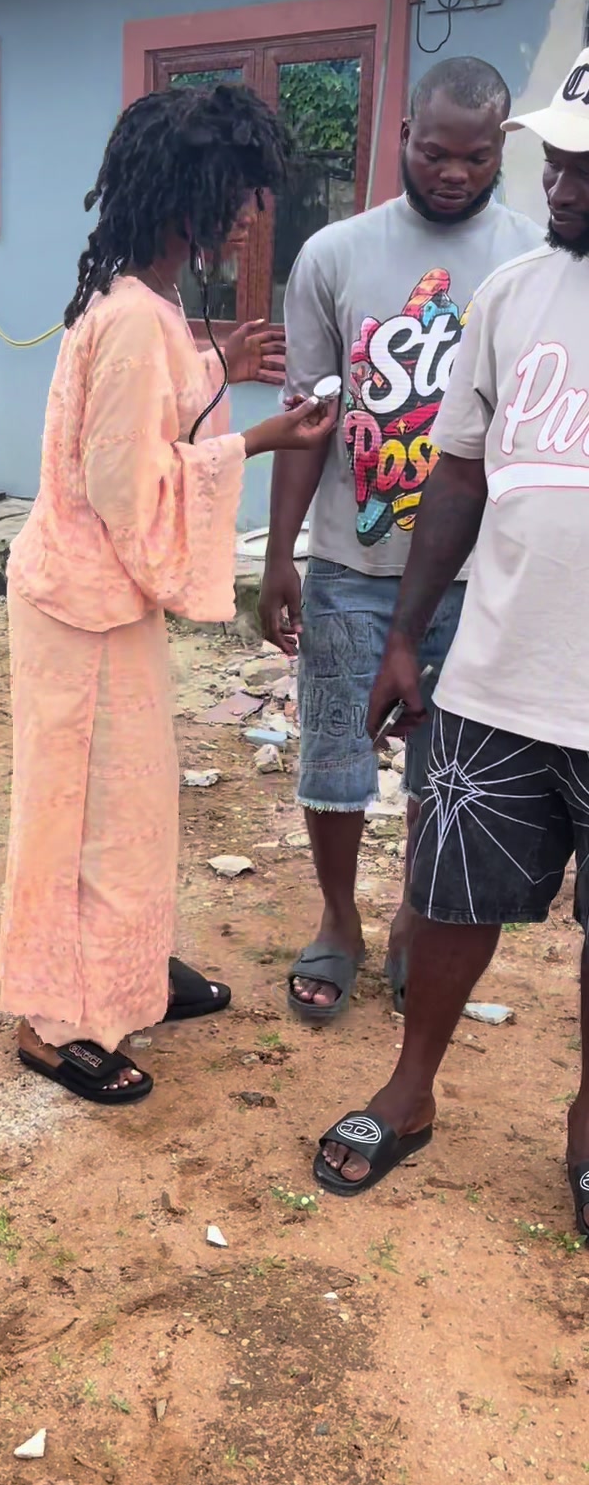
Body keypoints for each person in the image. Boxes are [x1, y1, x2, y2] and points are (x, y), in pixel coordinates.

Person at [0, 83, 339, 1104]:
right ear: (184, 196)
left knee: (129, 803)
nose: (246, 219)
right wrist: (260, 438)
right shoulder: (135, 318)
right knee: (81, 817)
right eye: (234, 197)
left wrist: (216, 364)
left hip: (98, 599)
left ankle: (128, 969)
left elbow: (145, 424)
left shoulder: (142, 302)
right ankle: (56, 1021)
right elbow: (126, 487)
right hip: (81, 606)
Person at [314, 46, 589, 1228]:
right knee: (450, 896)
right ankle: (412, 1088)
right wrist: (405, 639)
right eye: (558, 161)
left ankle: (587, 1122)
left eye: (587, 169)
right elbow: (459, 478)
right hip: (497, 675)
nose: (562, 186)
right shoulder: (513, 295)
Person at [260, 57, 541, 1024]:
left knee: (443, 770)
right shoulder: (333, 255)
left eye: (476, 157)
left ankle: (419, 918)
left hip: (477, 576)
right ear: (404, 137)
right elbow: (309, 422)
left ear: (501, 149)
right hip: (351, 563)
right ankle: (339, 918)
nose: (454, 173)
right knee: (335, 756)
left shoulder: (532, 262)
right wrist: (281, 555)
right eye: (435, 153)